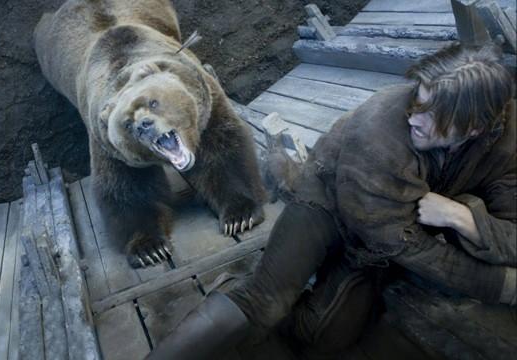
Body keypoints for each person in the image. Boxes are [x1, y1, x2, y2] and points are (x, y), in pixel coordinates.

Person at [145, 43, 516, 359]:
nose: (415, 118)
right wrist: (501, 286)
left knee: (325, 340)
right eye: (418, 100)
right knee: (264, 303)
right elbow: (402, 243)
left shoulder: (506, 144)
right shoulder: (381, 128)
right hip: (327, 204)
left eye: (435, 116)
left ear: (476, 128)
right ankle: (233, 294)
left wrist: (465, 219)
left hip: (382, 234)